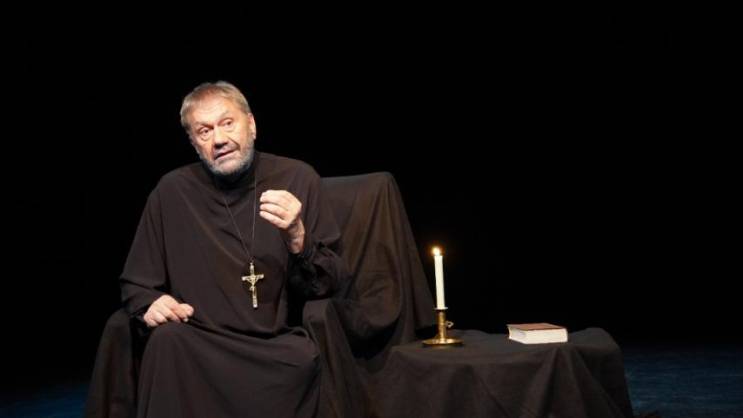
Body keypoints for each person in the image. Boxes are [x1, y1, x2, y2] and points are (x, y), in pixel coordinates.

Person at [119, 81, 348, 417]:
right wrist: (150, 303)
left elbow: (333, 282)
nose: (219, 139)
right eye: (204, 131)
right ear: (194, 143)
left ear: (251, 124)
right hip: (200, 340)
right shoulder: (171, 192)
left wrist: (298, 237)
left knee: (301, 361)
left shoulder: (298, 178)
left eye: (228, 123)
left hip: (272, 346)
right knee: (166, 343)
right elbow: (137, 281)